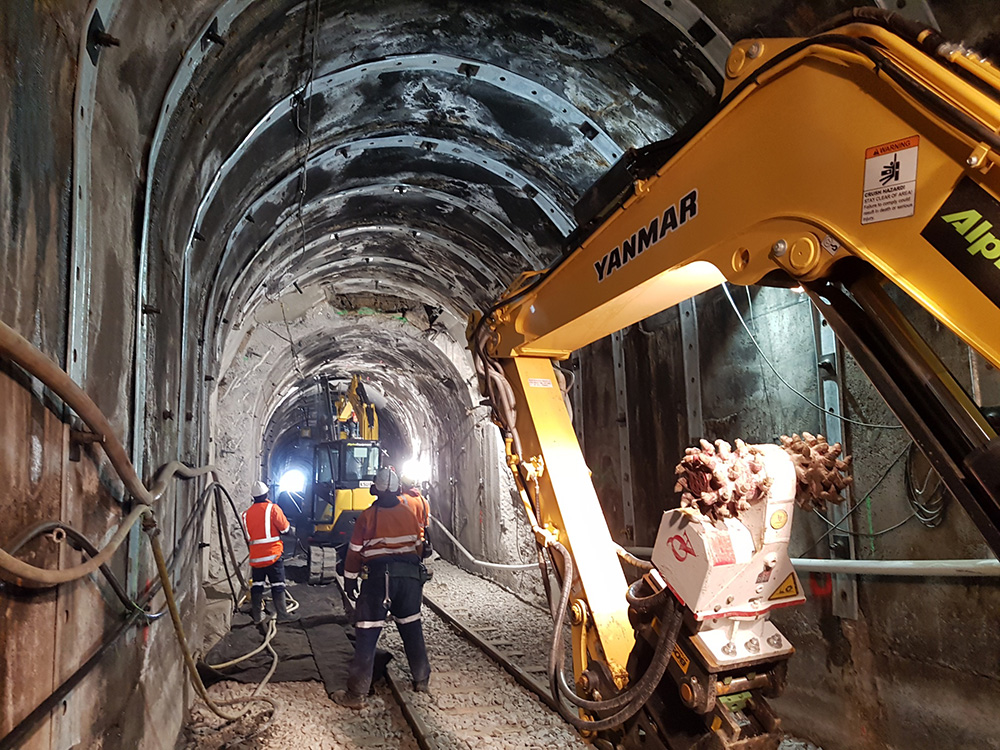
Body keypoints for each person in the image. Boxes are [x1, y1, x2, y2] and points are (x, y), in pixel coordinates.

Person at [333, 467, 431, 709]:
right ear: (398, 489)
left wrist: (350, 579)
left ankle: (356, 695)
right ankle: (421, 680)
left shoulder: (367, 516)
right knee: (411, 629)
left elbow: (354, 552)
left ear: (375, 489)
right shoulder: (409, 513)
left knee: (366, 633)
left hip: (378, 580)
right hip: (408, 580)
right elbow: (419, 548)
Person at [242, 480, 298, 624]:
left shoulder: (245, 515)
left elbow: (248, 537)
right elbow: (285, 529)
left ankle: (256, 615)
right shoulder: (273, 509)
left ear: (253, 497)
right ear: (267, 494)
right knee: (278, 585)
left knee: (257, 585)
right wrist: (293, 533)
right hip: (273, 555)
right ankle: (282, 614)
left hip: (256, 558)